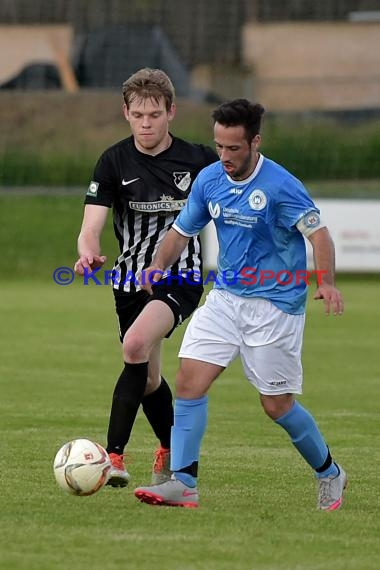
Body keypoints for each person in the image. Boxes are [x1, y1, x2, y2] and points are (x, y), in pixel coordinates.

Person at [134, 98, 347, 510]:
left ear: (255, 142)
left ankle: (330, 472)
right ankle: (184, 483)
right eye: (219, 147)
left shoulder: (281, 185)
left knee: (276, 405)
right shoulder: (209, 179)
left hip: (276, 306)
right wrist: (158, 265)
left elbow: (318, 235)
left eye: (234, 148)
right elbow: (181, 230)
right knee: (188, 381)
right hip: (226, 299)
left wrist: (328, 283)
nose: (225, 156)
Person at [74, 68, 218, 487]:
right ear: (126, 113)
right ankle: (171, 449)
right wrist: (87, 254)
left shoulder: (199, 160)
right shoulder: (113, 160)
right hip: (128, 283)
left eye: (154, 113)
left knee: (134, 345)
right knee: (149, 377)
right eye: (138, 114)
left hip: (182, 277)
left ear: (171, 111)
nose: (146, 122)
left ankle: (113, 457)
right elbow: (90, 227)